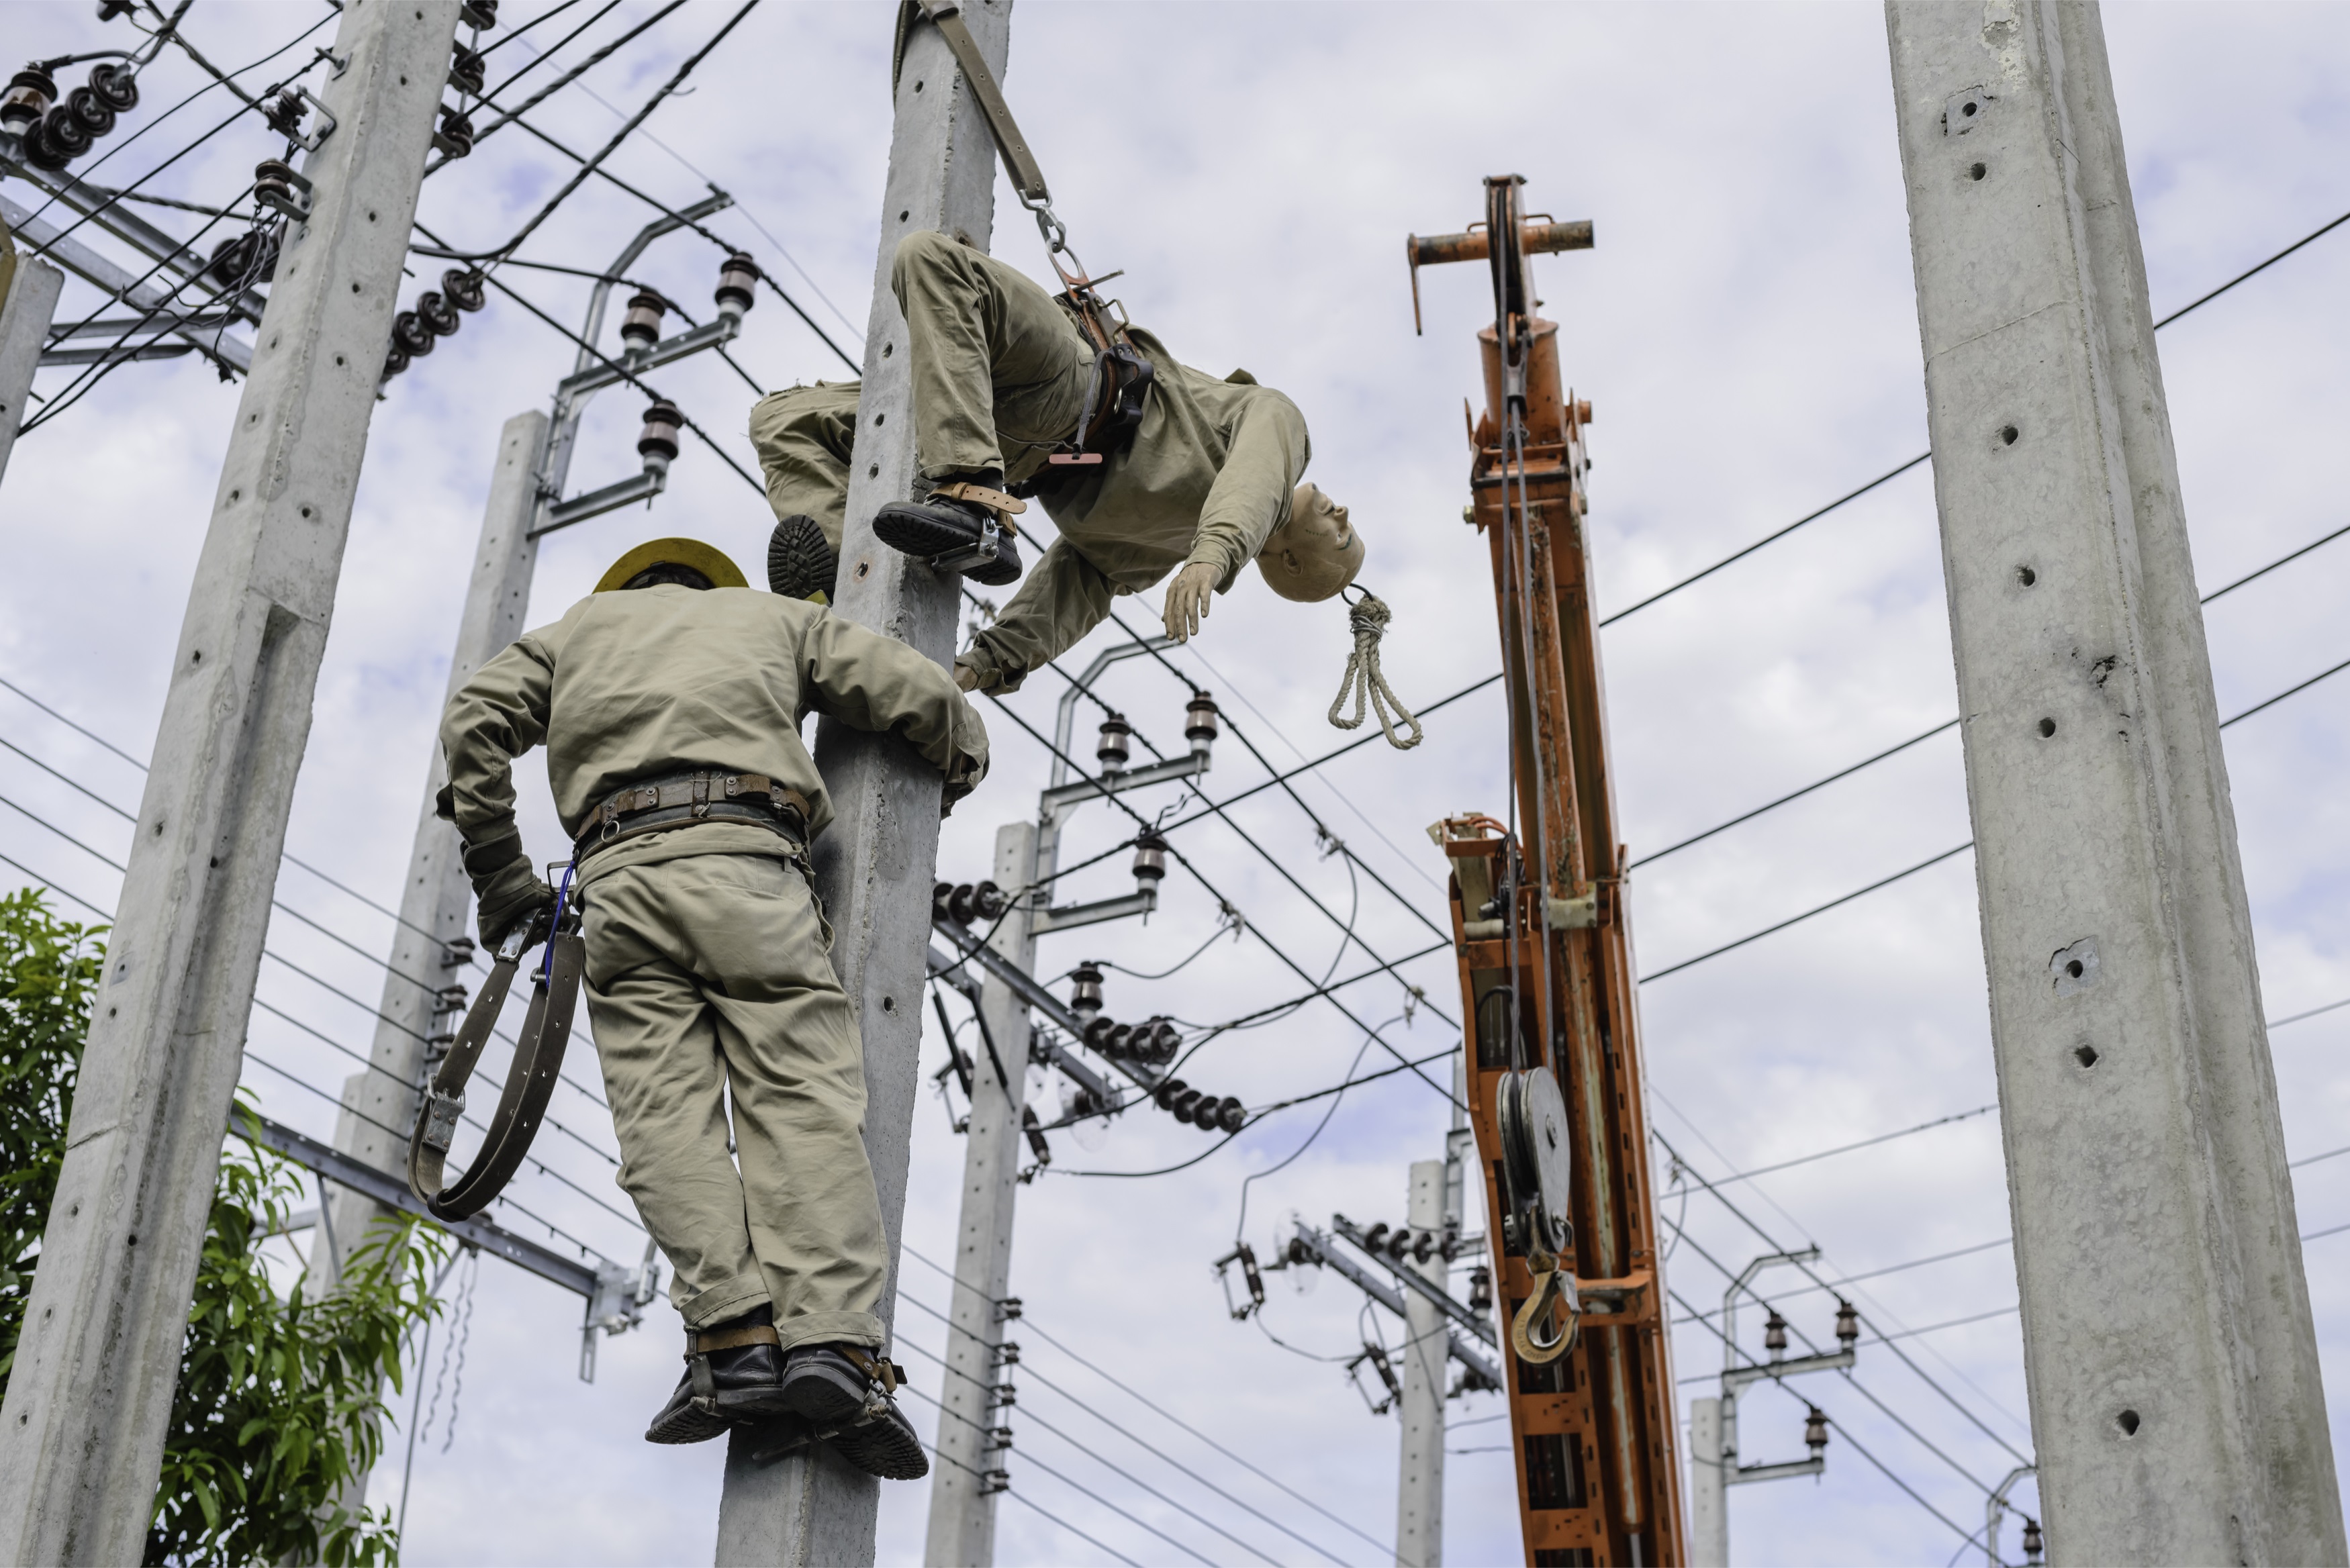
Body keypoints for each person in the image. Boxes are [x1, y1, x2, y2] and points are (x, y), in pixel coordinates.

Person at [436, 536, 986, 1477]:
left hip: (617, 886)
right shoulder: (771, 617)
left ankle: (731, 1340)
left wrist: (500, 872)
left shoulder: (570, 637)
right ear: (710, 585)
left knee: (662, 1122)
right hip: (746, 865)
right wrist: (960, 755)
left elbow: (474, 721)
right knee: (799, 1098)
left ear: (627, 588)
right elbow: (910, 689)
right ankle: (833, 1345)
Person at [749, 230, 1367, 694]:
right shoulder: (1263, 438)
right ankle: (844, 590)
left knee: (930, 260)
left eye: (1339, 534)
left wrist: (984, 662)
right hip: (1063, 392)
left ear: (1289, 560)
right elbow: (1250, 480)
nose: (1341, 509)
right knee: (782, 422)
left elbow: (1075, 588)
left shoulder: (1165, 545)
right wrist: (1212, 552)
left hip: (1037, 426)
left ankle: (967, 504)